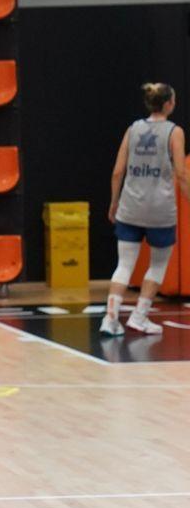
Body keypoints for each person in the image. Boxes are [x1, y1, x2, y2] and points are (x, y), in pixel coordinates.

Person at [101, 82, 190, 335]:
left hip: (130, 206)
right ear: (169, 103)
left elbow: (118, 171)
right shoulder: (174, 132)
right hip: (160, 210)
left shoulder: (133, 129)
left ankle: (110, 318)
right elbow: (182, 176)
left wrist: (113, 202)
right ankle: (139, 316)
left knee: (125, 264)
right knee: (158, 265)